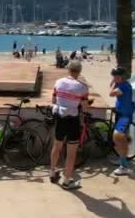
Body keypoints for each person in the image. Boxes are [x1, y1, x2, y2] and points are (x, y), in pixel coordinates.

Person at [50, 60, 89, 190]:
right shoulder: (82, 87)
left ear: (68, 69)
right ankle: (67, 181)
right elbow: (84, 106)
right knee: (71, 152)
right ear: (79, 71)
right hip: (72, 120)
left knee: (57, 146)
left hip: (60, 118)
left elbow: (54, 100)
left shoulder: (58, 82)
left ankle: (52, 172)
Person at [109, 67, 135, 176]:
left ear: (122, 77)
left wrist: (113, 84)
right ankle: (121, 159)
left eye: (117, 77)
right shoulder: (120, 84)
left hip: (125, 116)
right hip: (120, 114)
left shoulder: (124, 86)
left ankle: (123, 166)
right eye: (114, 76)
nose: (115, 78)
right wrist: (114, 83)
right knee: (118, 140)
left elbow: (111, 93)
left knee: (118, 138)